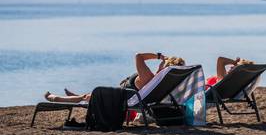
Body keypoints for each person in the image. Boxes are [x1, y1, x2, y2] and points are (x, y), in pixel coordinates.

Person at [44, 53, 186, 103]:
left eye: (162, 64)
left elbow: (139, 56)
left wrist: (159, 55)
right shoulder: (161, 82)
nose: (159, 64)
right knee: (88, 96)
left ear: (164, 66)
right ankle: (78, 97)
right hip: (124, 97)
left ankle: (55, 98)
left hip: (119, 99)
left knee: (89, 96)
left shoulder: (149, 77)